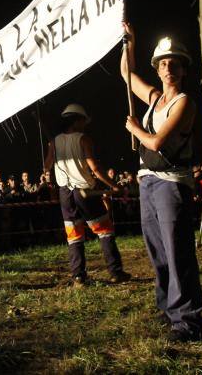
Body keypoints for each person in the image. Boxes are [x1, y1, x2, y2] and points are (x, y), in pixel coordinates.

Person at [120, 21, 202, 342]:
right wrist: (130, 41)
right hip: (148, 182)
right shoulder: (154, 97)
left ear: (183, 69)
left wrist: (134, 129)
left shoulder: (184, 103)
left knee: (177, 250)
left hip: (172, 183)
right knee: (157, 251)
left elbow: (156, 142)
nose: (169, 67)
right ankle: (168, 311)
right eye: (164, 63)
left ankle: (188, 322)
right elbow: (126, 75)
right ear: (157, 69)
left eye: (175, 63)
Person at [44, 104, 131, 287]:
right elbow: (95, 168)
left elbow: (47, 166)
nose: (85, 124)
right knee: (105, 230)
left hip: (65, 193)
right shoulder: (83, 139)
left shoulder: (55, 141)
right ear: (76, 120)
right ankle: (115, 272)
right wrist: (114, 186)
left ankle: (79, 277)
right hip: (85, 191)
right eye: (83, 120)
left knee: (74, 235)